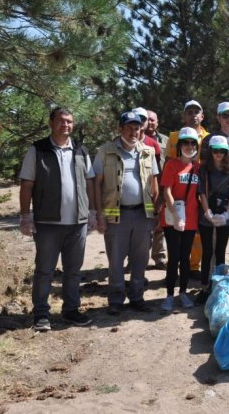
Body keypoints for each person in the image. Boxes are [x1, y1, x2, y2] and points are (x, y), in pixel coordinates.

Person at [19, 107, 96, 331]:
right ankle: (41, 314)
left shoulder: (81, 150)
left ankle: (71, 310)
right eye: (61, 121)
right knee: (45, 270)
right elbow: (27, 184)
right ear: (51, 123)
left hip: (77, 224)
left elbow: (90, 182)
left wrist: (93, 212)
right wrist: (25, 216)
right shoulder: (38, 149)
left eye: (69, 121)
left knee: (74, 270)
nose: (66, 125)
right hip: (47, 223)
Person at [94, 111, 159, 315]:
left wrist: (155, 213)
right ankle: (115, 300)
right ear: (120, 129)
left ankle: (137, 297)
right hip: (116, 214)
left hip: (142, 214)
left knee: (141, 259)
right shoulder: (105, 151)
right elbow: (96, 184)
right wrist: (98, 214)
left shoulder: (148, 151)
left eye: (137, 128)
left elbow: (154, 185)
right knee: (116, 260)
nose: (133, 132)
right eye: (129, 128)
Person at [165, 100, 209, 276]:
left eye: (196, 112)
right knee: (176, 229)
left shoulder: (209, 137)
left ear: (202, 116)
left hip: (198, 187)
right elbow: (168, 161)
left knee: (196, 232)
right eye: (189, 112)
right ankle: (173, 268)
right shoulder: (174, 137)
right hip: (177, 188)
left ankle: (193, 267)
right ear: (184, 116)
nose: (193, 115)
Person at [159, 127, 200, 312]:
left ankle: (183, 292)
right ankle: (169, 295)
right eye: (186, 143)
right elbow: (166, 190)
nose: (189, 146)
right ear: (179, 145)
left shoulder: (198, 167)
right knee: (174, 256)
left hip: (190, 219)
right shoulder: (172, 165)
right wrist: (176, 215)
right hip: (172, 219)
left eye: (193, 143)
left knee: (185, 257)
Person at [195, 135, 229, 304]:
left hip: (225, 215)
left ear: (226, 152)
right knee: (207, 252)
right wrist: (207, 212)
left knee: (220, 251)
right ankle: (204, 287)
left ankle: (218, 286)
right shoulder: (204, 169)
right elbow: (202, 192)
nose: (218, 154)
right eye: (215, 150)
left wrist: (227, 213)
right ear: (210, 151)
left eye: (222, 151)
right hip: (207, 214)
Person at [145, 108, 168, 270]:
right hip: (143, 189)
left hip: (161, 187)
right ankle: (137, 259)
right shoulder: (136, 139)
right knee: (144, 225)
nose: (150, 122)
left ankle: (159, 257)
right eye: (147, 119)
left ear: (157, 122)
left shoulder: (166, 140)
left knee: (160, 224)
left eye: (153, 119)